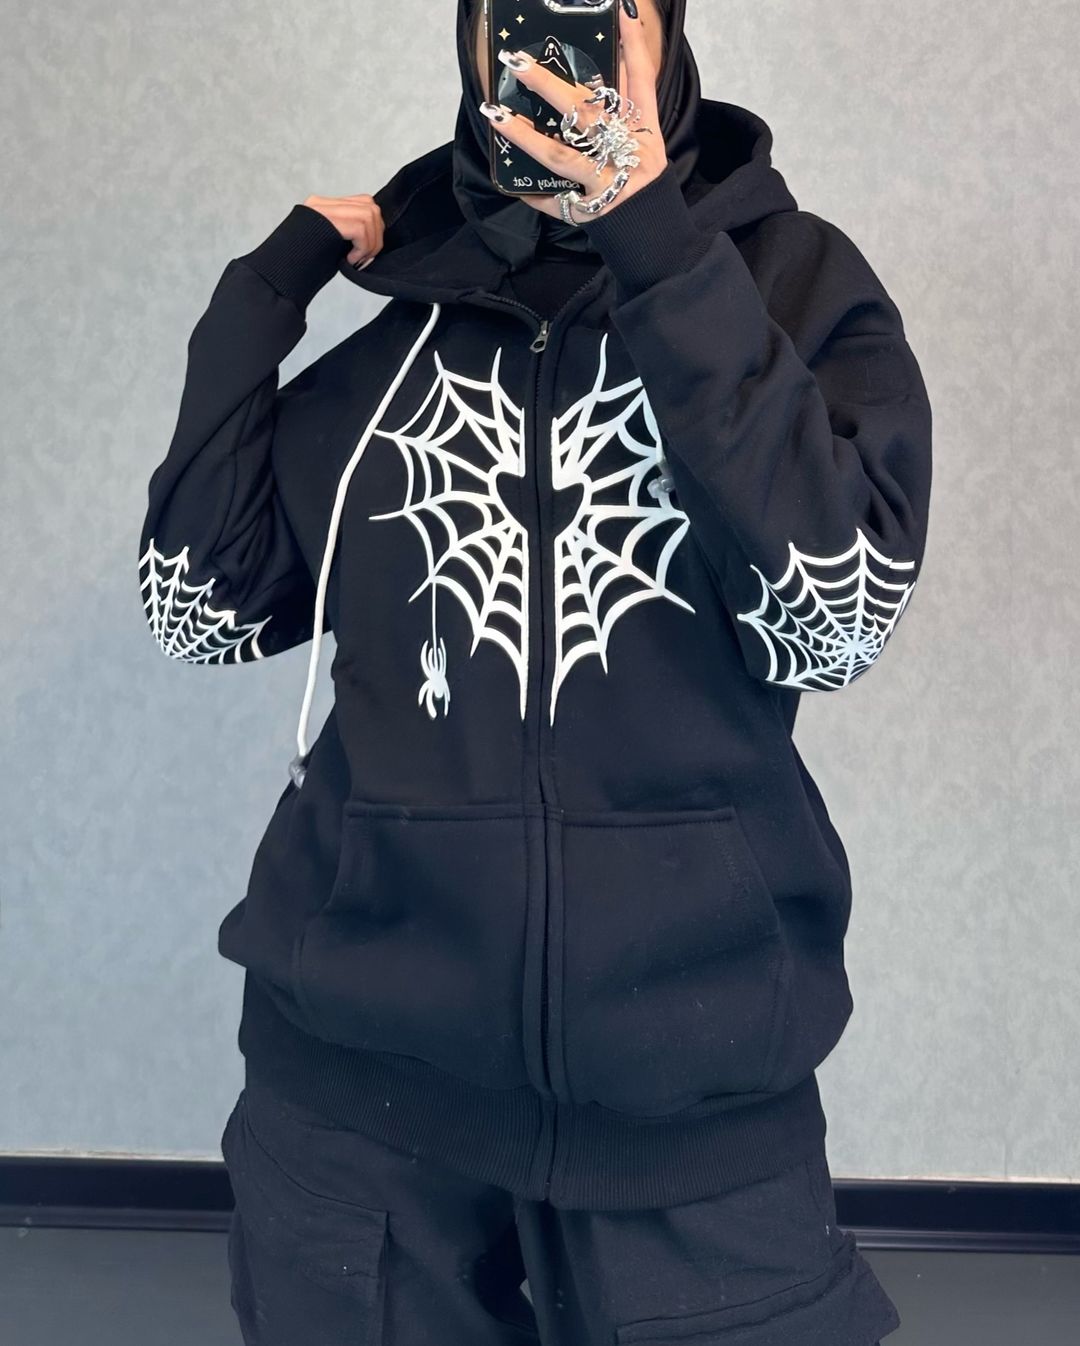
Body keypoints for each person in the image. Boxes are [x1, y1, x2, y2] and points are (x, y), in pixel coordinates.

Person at [138, 0, 930, 1339]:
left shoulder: (792, 285)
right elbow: (198, 608)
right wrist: (261, 298)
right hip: (356, 1096)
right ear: (469, 40)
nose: (553, 41)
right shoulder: (406, 324)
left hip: (690, 1101)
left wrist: (652, 240)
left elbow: (835, 615)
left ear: (663, 32)